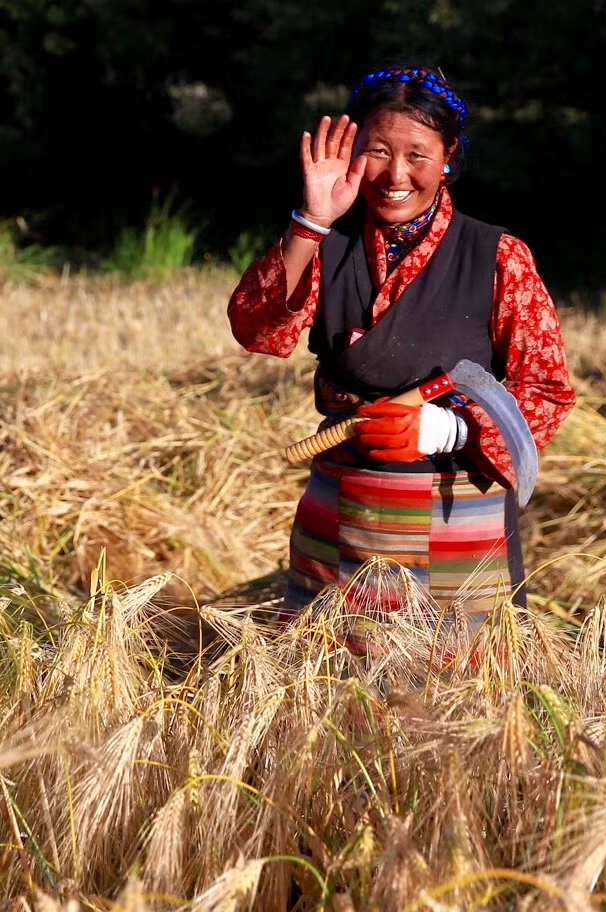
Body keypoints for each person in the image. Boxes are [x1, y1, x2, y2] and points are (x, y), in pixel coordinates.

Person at [228, 67, 576, 624]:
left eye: (417, 155)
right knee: (329, 688)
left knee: (459, 698)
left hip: (457, 507)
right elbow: (257, 328)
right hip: (343, 503)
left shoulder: (499, 256)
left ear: (449, 158)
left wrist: (451, 429)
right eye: (377, 151)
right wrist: (311, 220)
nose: (395, 174)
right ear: (352, 154)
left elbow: (547, 389)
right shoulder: (326, 245)